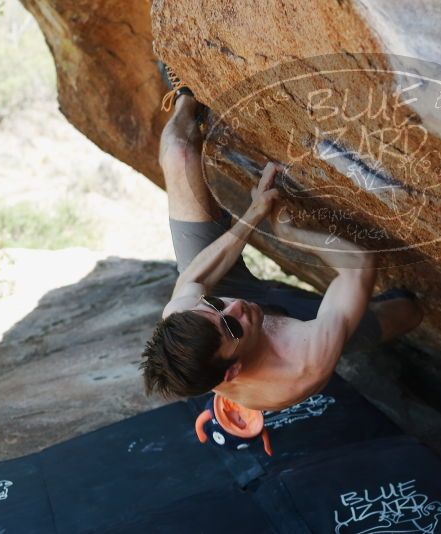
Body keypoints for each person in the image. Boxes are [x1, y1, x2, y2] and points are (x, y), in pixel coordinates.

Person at [140, 91, 423, 413]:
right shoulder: (304, 363)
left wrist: (255, 214)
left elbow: (202, 282)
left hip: (231, 292)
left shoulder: (189, 317)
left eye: (216, 305)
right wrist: (288, 234)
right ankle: (334, 305)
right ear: (232, 371)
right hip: (299, 328)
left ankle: (183, 96)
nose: (237, 308)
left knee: (179, 156)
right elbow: (360, 264)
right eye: (231, 327)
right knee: (409, 312)